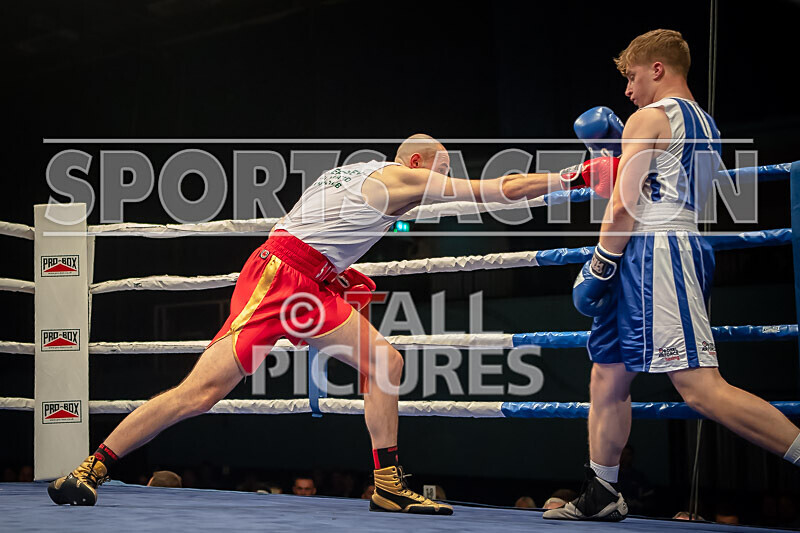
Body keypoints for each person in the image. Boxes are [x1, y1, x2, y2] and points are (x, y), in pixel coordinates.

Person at [48, 134, 603, 512]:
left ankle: (387, 482)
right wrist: (572, 177)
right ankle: (93, 466)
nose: (444, 180)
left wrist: (334, 273)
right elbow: (495, 194)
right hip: (280, 279)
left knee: (385, 359)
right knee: (201, 392)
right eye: (442, 169)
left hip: (308, 282)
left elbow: (319, 227)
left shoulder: (352, 170)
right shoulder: (400, 177)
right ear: (416, 163)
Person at [544, 29, 800, 522]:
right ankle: (602, 490)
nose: (627, 90)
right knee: (608, 373)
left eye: (632, 76)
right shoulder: (706, 123)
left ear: (657, 69)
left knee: (700, 387)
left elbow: (624, 206)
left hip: (657, 250)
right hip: (657, 247)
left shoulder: (650, 117)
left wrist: (599, 263)